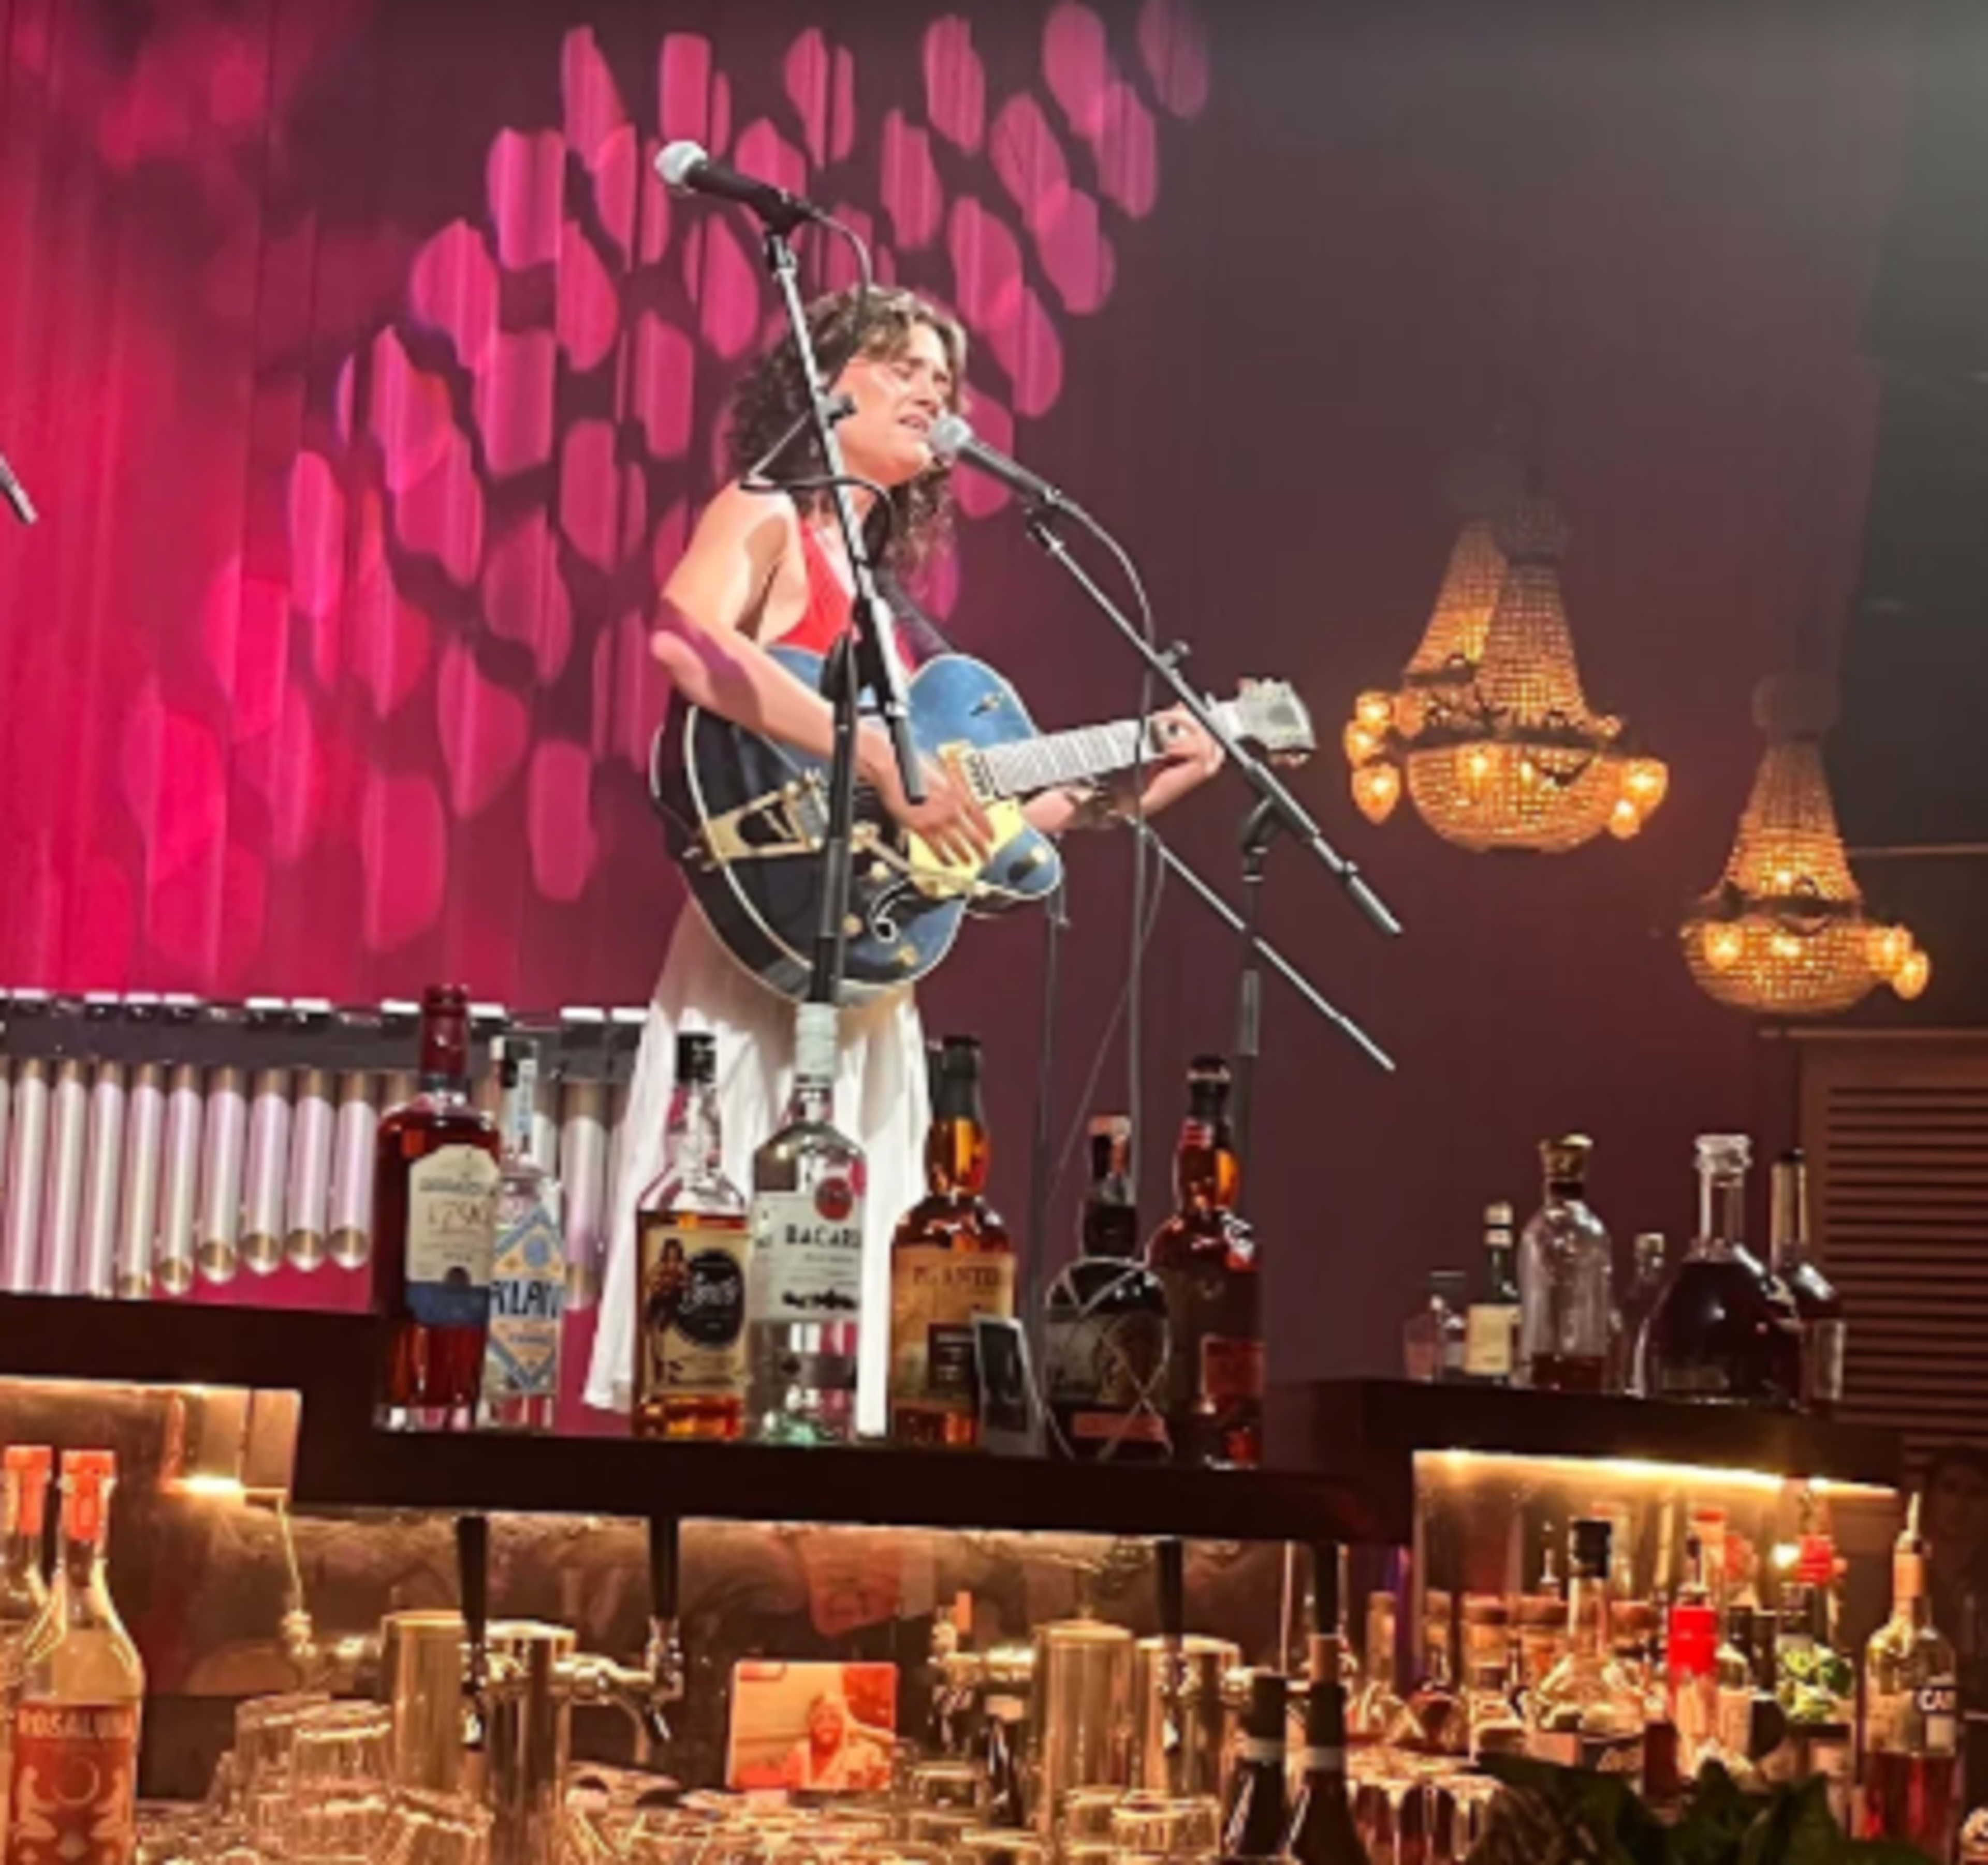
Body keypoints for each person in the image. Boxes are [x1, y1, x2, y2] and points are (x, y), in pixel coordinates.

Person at [585, 284, 1223, 1430]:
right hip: (770, 927)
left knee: (854, 1282)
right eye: (905, 366)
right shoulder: (770, 506)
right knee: (720, 1255)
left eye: (947, 377)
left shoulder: (887, 607)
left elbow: (971, 822)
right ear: (826, 386)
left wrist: (1127, 794)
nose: (935, 391)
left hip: (869, 970)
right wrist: (874, 757)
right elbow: (683, 637)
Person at [778, 1687, 894, 1791]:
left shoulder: (867, 1753)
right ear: (811, 1723)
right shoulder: (800, 1752)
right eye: (819, 1719)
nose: (826, 1725)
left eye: (834, 1718)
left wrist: (861, 1729)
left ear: (846, 1721)